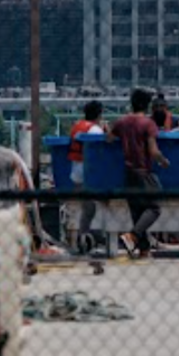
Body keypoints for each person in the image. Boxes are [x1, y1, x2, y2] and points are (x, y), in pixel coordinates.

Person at [109, 88, 170, 259]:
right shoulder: (148, 124)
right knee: (154, 207)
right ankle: (132, 235)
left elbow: (109, 138)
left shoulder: (122, 122)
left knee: (136, 210)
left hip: (128, 172)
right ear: (148, 105)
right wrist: (163, 161)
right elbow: (153, 150)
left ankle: (144, 249)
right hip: (144, 171)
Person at [67, 100, 106, 252]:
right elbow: (102, 152)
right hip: (89, 175)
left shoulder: (77, 126)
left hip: (75, 174)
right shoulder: (95, 130)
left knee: (87, 207)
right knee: (94, 206)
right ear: (99, 114)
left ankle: (83, 236)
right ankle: (89, 236)